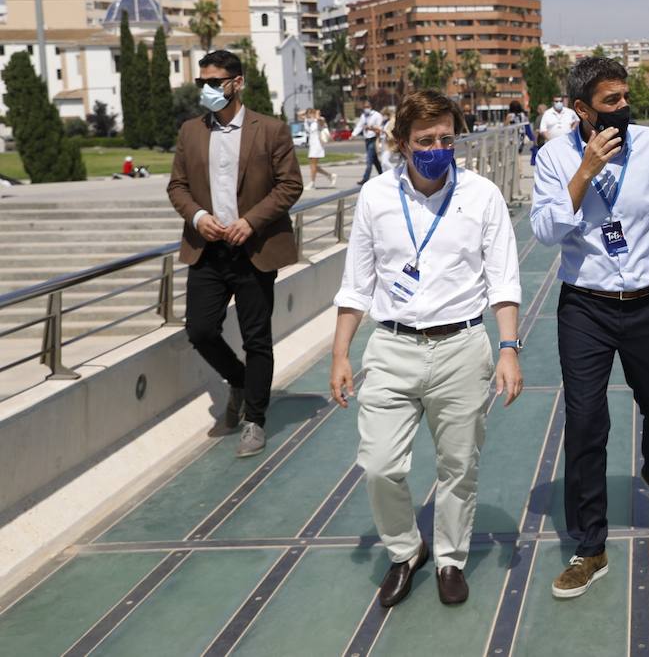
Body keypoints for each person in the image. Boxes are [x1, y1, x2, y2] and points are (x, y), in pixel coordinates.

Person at [330, 88, 525, 608]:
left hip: (462, 345)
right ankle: (404, 549)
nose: (438, 147)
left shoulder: (481, 196)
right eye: (425, 140)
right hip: (392, 348)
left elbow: (504, 281)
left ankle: (450, 559)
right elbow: (356, 285)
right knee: (379, 464)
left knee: (458, 465)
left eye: (446, 138)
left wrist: (508, 347)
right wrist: (341, 354)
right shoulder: (374, 197)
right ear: (401, 143)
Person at [531, 56, 649, 600]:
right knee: (585, 423)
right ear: (581, 109)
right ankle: (590, 545)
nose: (624, 109)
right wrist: (583, 173)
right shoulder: (554, 157)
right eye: (610, 102)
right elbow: (547, 231)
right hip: (586, 308)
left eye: (626, 98)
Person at [167, 49, 303, 457]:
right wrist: (198, 217)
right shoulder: (190, 131)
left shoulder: (271, 129)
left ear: (237, 83)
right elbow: (177, 186)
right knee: (201, 330)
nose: (207, 89)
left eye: (215, 82)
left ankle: (255, 420)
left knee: (256, 337)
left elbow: (289, 185)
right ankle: (240, 381)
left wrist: (252, 221)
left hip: (255, 249)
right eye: (202, 83)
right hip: (208, 251)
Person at [353, 98, 385, 184]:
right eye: (364, 107)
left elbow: (380, 128)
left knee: (369, 159)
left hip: (374, 139)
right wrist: (353, 134)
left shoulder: (377, 115)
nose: (366, 108)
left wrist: (370, 128)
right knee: (375, 160)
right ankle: (382, 175)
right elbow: (359, 126)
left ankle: (365, 179)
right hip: (367, 139)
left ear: (371, 106)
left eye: (367, 106)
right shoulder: (363, 116)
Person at [304, 108, 336, 190]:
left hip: (317, 146)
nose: (308, 115)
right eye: (307, 114)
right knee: (313, 166)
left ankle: (312, 183)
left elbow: (321, 121)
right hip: (312, 146)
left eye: (310, 113)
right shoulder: (310, 123)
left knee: (313, 166)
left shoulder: (320, 120)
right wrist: (308, 116)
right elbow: (299, 114)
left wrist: (317, 115)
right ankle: (330, 175)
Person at [531, 102, 549, 167]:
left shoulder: (539, 118)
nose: (537, 111)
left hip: (541, 141)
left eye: (538, 109)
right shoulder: (550, 116)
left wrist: (535, 142)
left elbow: (536, 131)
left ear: (541, 109)